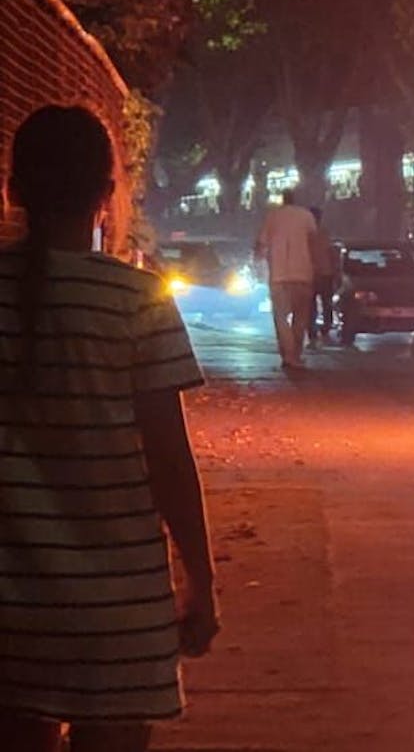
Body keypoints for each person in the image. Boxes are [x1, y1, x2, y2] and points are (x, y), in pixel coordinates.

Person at [0, 106, 218, 752]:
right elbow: (170, 461)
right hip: (118, 603)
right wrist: (200, 581)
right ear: (107, 195)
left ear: (13, 190)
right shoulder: (137, 300)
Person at [255, 189, 317, 369]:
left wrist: (259, 263)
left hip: (279, 276)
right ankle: (295, 354)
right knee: (300, 318)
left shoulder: (273, 217)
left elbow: (261, 244)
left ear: (282, 199)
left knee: (281, 318)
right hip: (303, 274)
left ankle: (288, 354)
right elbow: (314, 241)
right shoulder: (306, 216)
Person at [308, 207, 339, 346]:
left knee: (311, 304)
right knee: (326, 303)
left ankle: (312, 329)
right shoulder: (324, 233)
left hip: (311, 273)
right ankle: (325, 327)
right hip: (325, 273)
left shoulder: (306, 233)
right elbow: (331, 252)